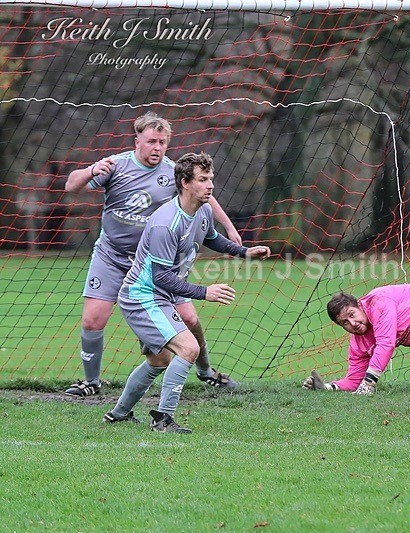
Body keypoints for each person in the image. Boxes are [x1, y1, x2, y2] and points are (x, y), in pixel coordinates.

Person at [63, 112, 242, 397]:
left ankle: (206, 371)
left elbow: (206, 195)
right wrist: (90, 170)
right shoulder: (116, 166)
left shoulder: (172, 172)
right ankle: (91, 382)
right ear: (137, 141)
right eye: (151, 141)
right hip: (111, 256)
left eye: (162, 142)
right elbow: (71, 185)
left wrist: (229, 228)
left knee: (190, 319)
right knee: (92, 320)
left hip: (154, 263)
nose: (157, 147)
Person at [103, 152, 272, 432]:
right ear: (184, 182)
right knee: (189, 348)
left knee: (159, 360)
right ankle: (164, 420)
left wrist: (244, 252)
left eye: (211, 179)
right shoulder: (165, 224)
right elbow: (160, 277)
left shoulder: (203, 210)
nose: (210, 186)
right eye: (203, 180)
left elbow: (212, 238)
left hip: (161, 295)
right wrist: (204, 291)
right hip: (142, 297)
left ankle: (118, 414)